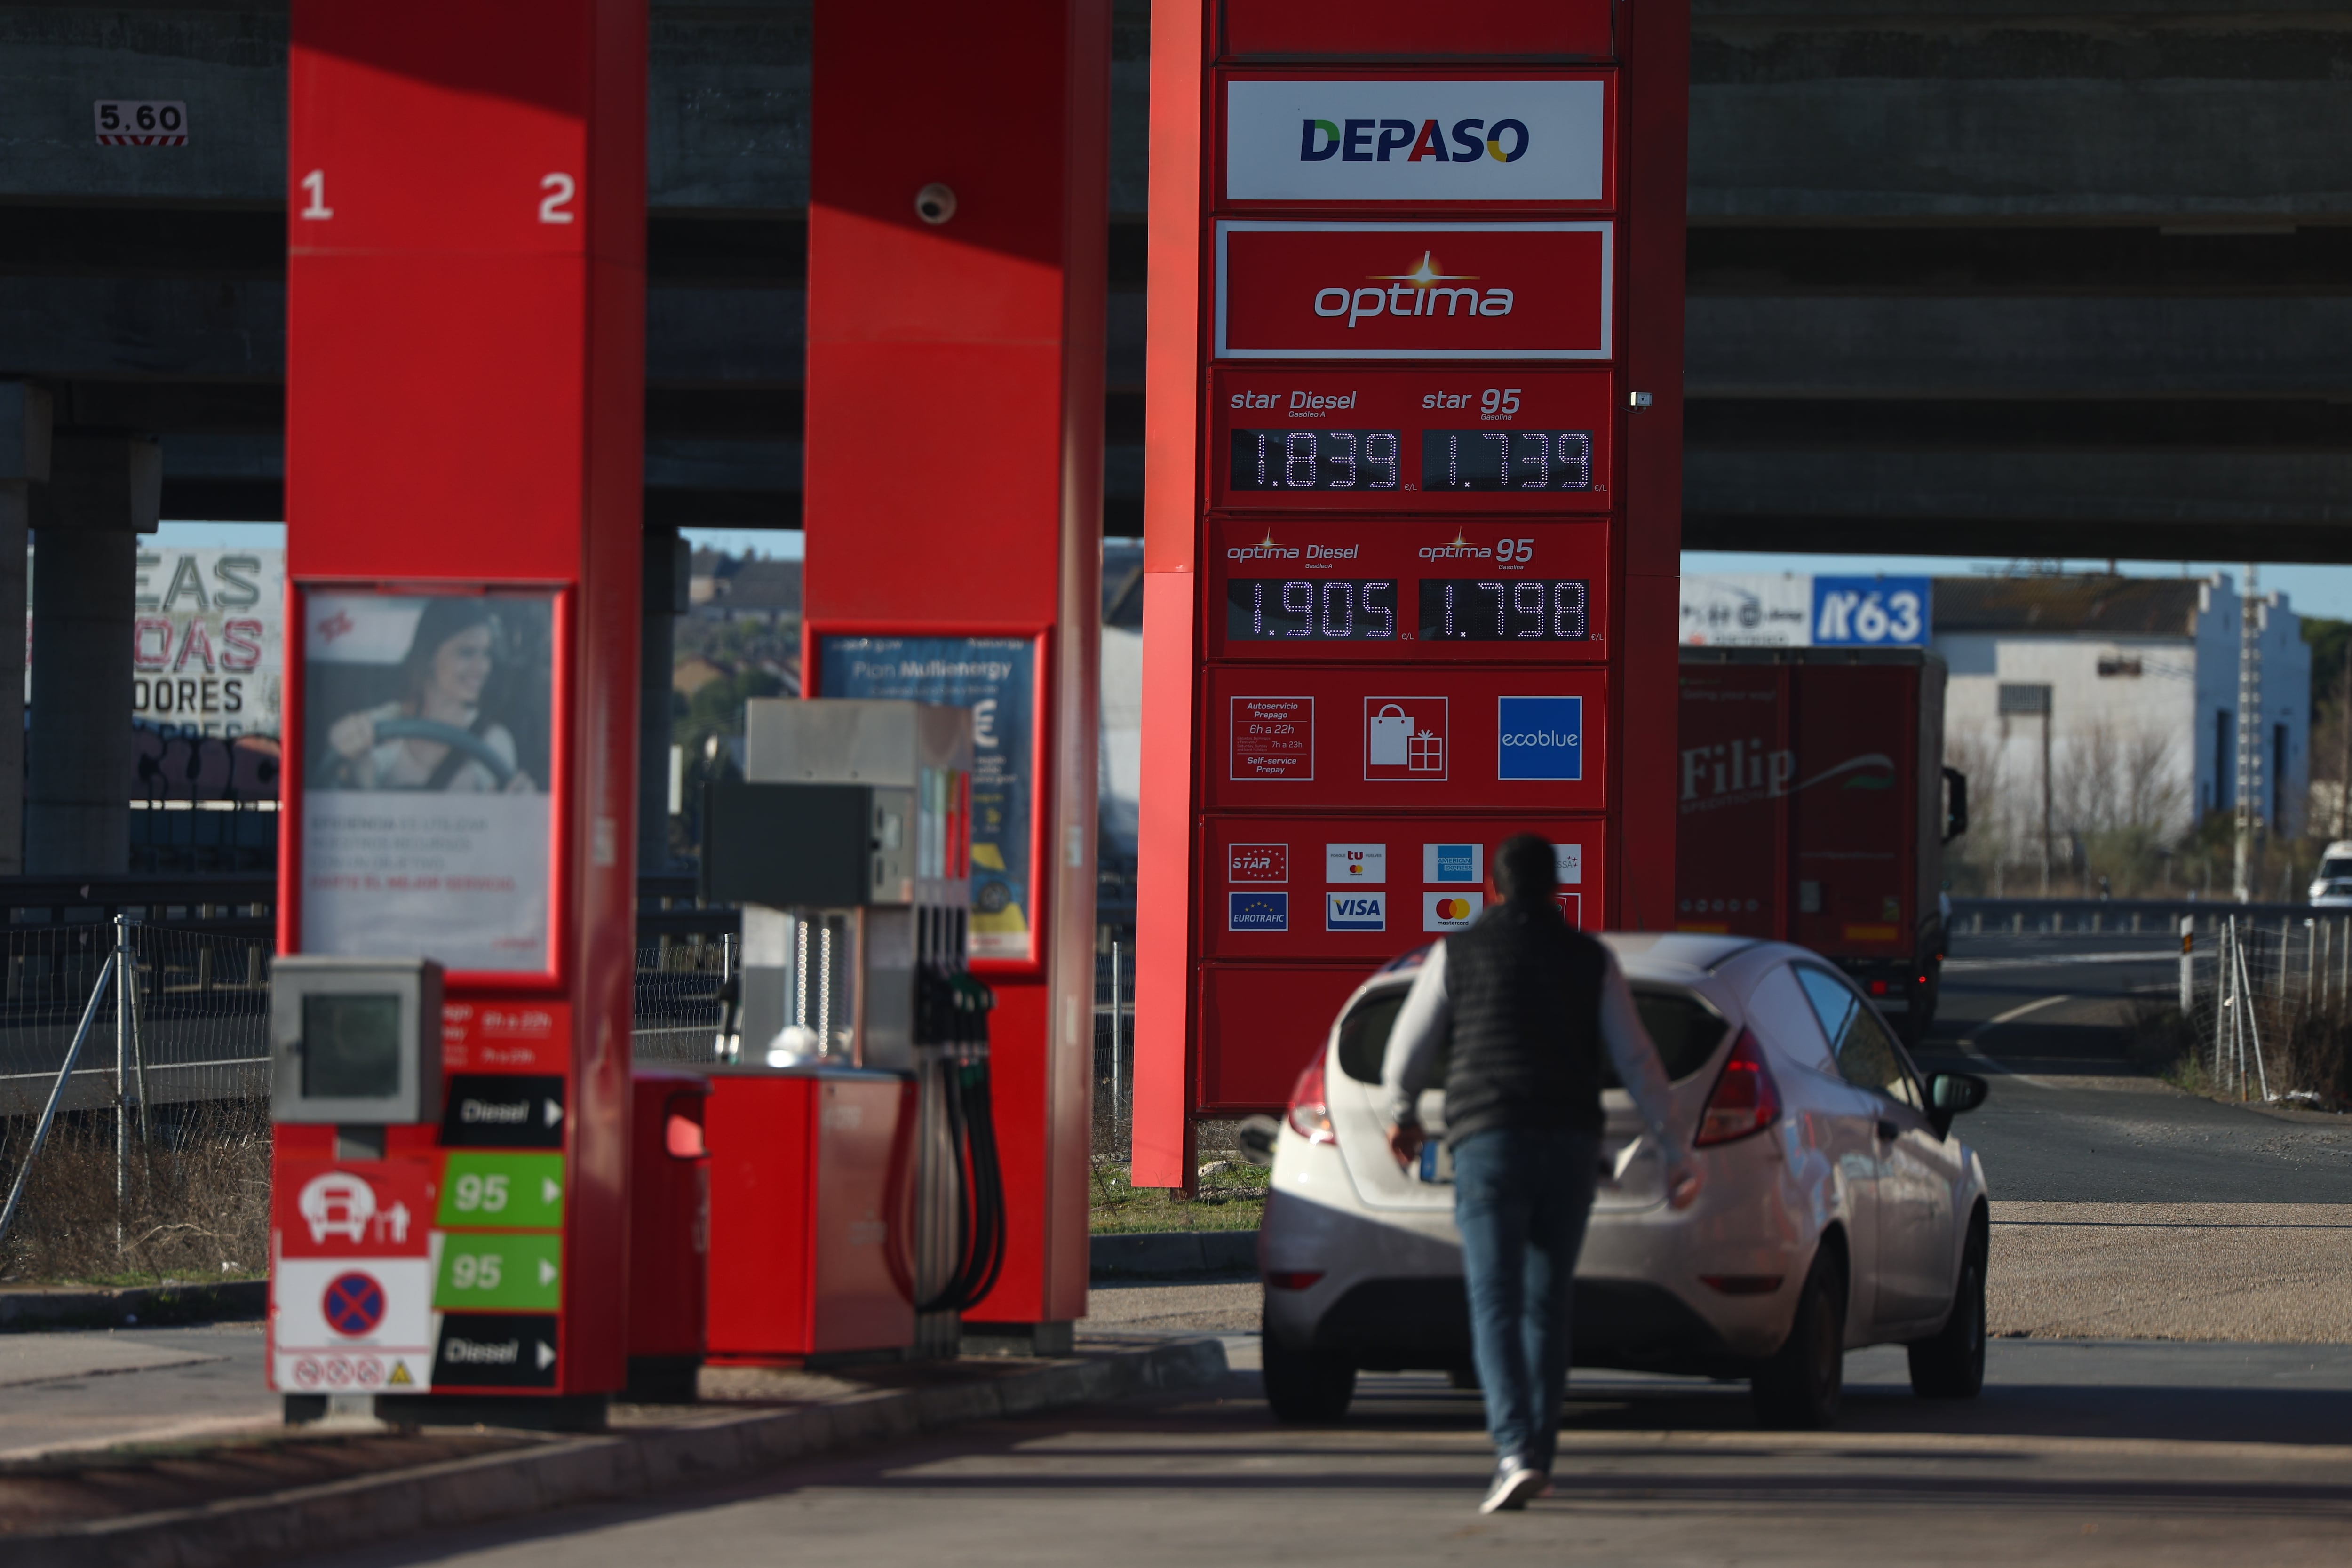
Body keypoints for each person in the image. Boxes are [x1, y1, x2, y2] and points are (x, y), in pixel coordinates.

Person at [1381, 833, 1701, 1514]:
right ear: (1557, 890)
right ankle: (1540, 1458)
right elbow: (1639, 1061)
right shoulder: (1593, 960)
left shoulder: (1455, 952)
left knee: (1494, 1301)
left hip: (1489, 1140)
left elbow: (1407, 1048)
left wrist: (1402, 1114)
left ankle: (1514, 1451)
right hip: (1567, 1143)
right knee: (1547, 1305)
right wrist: (1676, 1150)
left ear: (1492, 890)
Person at [324, 598, 536, 793]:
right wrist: (351, 756)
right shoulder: (377, 728)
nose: (482, 668)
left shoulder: (493, 739)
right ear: (429, 655)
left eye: (486, 654)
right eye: (466, 653)